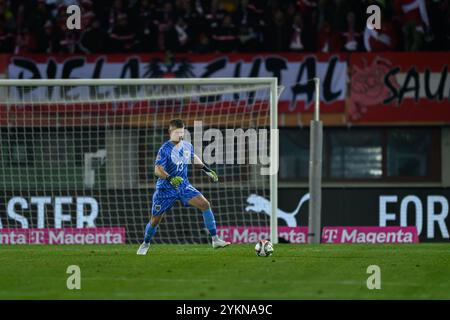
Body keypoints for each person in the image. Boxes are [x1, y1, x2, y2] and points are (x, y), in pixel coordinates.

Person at [137, 119, 231, 255]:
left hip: (183, 186)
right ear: (170, 132)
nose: (180, 135)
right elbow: (157, 170)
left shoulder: (187, 145)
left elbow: (193, 157)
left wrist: (207, 170)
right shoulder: (164, 149)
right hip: (165, 188)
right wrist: (170, 178)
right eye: (177, 132)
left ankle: (215, 239)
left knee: (205, 204)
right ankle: (145, 243)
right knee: (155, 219)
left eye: (182, 132)